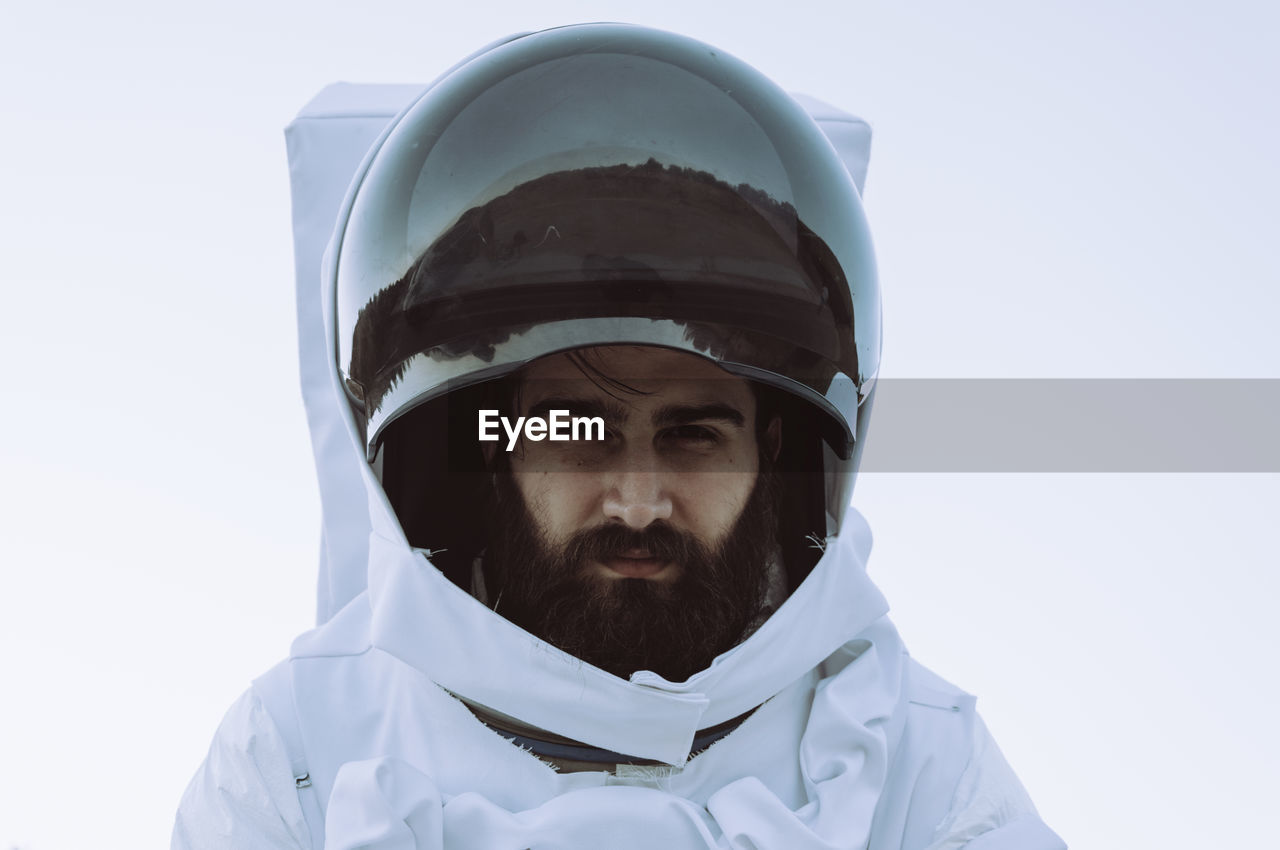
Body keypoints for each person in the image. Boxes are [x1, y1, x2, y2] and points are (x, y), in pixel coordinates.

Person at [173, 23, 1065, 849]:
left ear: (778, 463)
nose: (638, 498)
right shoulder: (299, 752)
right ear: (491, 455)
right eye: (578, 431)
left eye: (694, 436)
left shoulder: (916, 759)